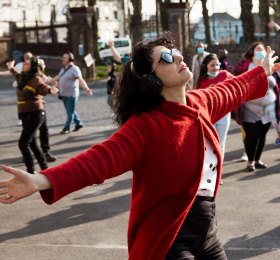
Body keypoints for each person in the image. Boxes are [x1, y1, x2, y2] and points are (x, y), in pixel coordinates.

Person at [0, 34, 279, 259]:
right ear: (150, 80)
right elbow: (97, 161)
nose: (179, 57)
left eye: (176, 51)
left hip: (208, 231)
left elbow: (233, 89)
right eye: (168, 57)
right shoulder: (145, 127)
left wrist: (262, 71)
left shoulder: (200, 103)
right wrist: (41, 180)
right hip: (169, 236)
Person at [0, 53, 57, 162]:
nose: (24, 64)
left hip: (37, 109)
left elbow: (42, 85)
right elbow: (16, 74)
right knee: (30, 138)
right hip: (25, 111)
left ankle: (43, 154)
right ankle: (31, 157)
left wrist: (50, 90)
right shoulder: (22, 76)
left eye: (27, 62)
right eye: (25, 60)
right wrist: (11, 68)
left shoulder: (35, 77)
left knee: (40, 132)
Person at [241, 42, 280, 171]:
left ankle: (257, 160)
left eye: (262, 49)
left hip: (268, 108)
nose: (261, 50)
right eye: (258, 48)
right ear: (252, 51)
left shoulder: (270, 65)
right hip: (249, 109)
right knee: (253, 134)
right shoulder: (244, 66)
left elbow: (276, 83)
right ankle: (250, 161)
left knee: (262, 135)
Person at [195, 53, 234, 161]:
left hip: (224, 115)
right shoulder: (201, 82)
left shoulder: (225, 75)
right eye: (212, 65)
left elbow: (237, 84)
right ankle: (211, 170)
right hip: (209, 116)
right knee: (210, 144)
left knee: (221, 143)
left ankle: (218, 174)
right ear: (205, 66)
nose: (215, 68)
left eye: (217, 65)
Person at [48, 52, 93, 134]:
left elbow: (80, 79)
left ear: (70, 59)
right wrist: (50, 80)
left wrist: (86, 88)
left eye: (64, 58)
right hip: (64, 94)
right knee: (70, 110)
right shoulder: (63, 68)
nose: (63, 59)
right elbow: (58, 76)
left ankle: (67, 128)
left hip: (71, 94)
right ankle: (78, 124)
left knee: (70, 112)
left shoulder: (75, 69)